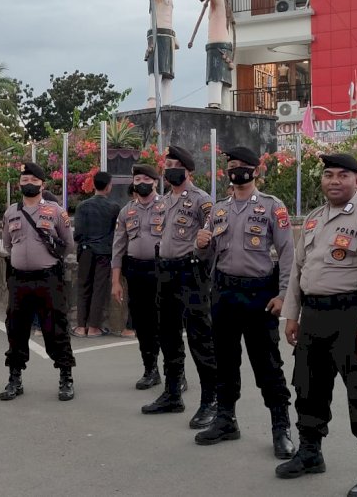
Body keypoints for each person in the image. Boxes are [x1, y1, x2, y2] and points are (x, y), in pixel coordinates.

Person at [276, 153, 357, 497]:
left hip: (351, 316)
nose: (335, 181)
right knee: (308, 387)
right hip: (313, 316)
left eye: (343, 175)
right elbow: (300, 270)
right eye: (329, 175)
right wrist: (293, 315)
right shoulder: (313, 219)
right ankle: (310, 453)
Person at [193, 147, 295, 459]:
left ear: (254, 170)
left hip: (259, 296)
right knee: (225, 360)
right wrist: (201, 246)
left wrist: (283, 295)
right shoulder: (219, 210)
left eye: (242, 166)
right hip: (224, 294)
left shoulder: (271, 207)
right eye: (232, 166)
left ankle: (281, 427)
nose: (237, 170)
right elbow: (208, 254)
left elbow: (288, 252)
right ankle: (226, 419)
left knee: (267, 364)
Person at [141, 145, 217, 430]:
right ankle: (173, 393)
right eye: (167, 163)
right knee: (168, 334)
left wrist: (203, 249)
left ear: (188, 170)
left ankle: (211, 399)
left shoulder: (202, 201)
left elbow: (211, 240)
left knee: (200, 338)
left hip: (191, 272)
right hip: (166, 272)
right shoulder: (162, 202)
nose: (168, 167)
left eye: (174, 163)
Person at [0, 162, 76, 402]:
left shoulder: (55, 211)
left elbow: (68, 243)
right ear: (19, 184)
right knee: (16, 328)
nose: (29, 184)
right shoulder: (11, 212)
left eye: (33, 180)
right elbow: (7, 245)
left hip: (48, 279)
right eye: (24, 181)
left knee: (56, 327)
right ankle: (14, 378)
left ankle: (66, 377)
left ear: (43, 184)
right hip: (19, 279)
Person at [112, 164, 165, 389]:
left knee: (165, 322)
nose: (141, 182)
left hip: (162, 271)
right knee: (142, 323)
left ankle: (176, 372)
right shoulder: (126, 211)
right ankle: (150, 369)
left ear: (155, 182)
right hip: (136, 272)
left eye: (146, 178)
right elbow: (118, 247)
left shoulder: (167, 206)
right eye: (137, 179)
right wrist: (115, 281)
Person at [72, 171, 119, 337]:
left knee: (83, 287)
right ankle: (93, 327)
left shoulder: (82, 206)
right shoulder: (114, 208)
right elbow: (117, 233)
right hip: (105, 252)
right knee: (99, 288)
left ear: (94, 185)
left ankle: (80, 326)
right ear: (108, 187)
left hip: (85, 251)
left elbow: (77, 234)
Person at [146, 0, 181, 108]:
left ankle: (167, 103)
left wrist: (175, 38)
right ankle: (152, 101)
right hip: (157, 32)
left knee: (168, 73)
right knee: (156, 69)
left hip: (168, 34)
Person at [201, 0, 234, 109]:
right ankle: (224, 107)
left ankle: (215, 103)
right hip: (223, 46)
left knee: (216, 80)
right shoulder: (220, 5)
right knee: (223, 84)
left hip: (218, 47)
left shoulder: (219, 0)